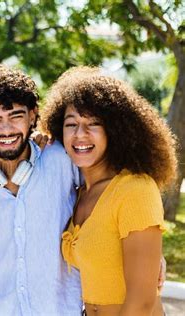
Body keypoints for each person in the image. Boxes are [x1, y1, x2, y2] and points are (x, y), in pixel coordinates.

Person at [41, 66, 177, 315]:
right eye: (71, 124)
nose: (80, 134)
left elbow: (142, 302)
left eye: (94, 124)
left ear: (115, 131)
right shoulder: (79, 191)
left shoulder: (135, 189)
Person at [0, 64, 83, 315]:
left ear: (32, 116)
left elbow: (111, 192)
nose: (6, 130)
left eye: (15, 116)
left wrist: (148, 249)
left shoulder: (62, 159)